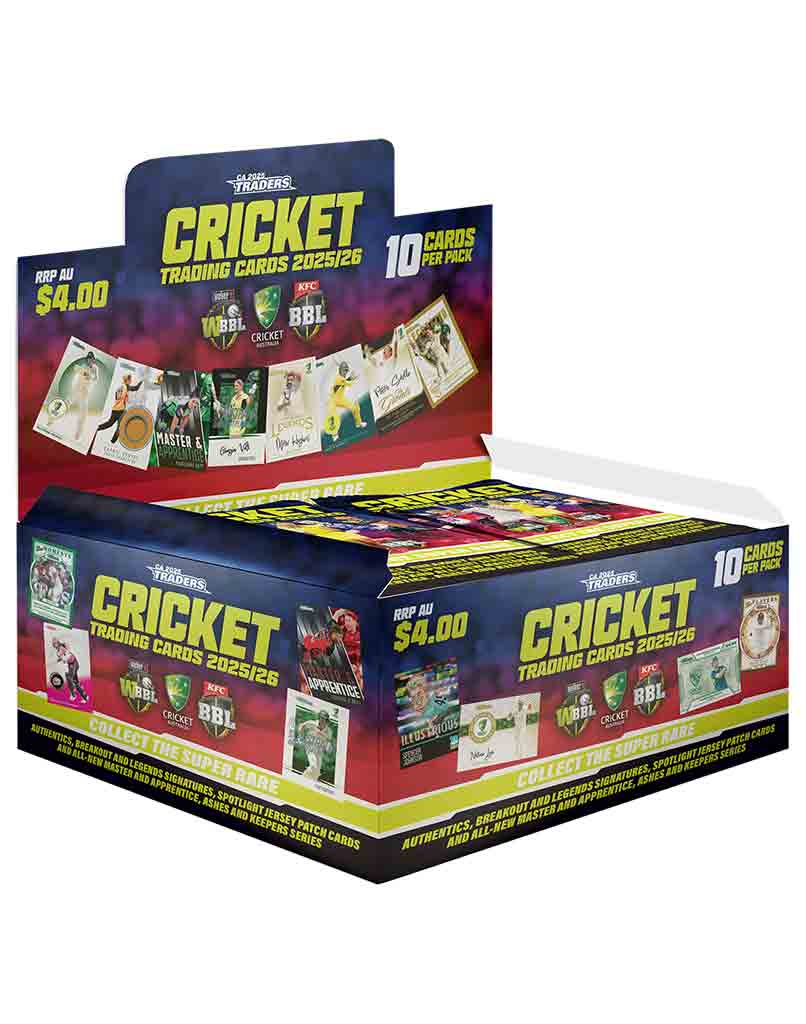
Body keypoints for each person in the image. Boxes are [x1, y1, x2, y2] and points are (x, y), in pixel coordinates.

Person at [93, 372, 143, 446]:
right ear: (127, 380)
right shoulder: (125, 387)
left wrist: (141, 381)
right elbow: (135, 388)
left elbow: (134, 389)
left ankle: (97, 429)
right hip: (121, 410)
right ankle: (112, 441)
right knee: (119, 426)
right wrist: (142, 381)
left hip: (115, 409)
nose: (131, 381)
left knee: (110, 423)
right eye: (130, 380)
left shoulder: (122, 387)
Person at [325, 361, 366, 441]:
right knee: (333, 416)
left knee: (355, 407)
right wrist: (353, 378)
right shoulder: (338, 378)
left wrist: (350, 378)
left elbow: (345, 381)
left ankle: (358, 423)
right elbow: (348, 383)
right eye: (344, 370)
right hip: (332, 400)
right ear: (340, 370)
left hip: (340, 398)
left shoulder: (342, 378)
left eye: (346, 371)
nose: (345, 372)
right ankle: (334, 434)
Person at [71, 351, 99, 441]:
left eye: (91, 359)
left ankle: (78, 433)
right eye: (88, 359)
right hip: (77, 390)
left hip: (85, 393)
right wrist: (83, 374)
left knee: (83, 413)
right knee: (67, 402)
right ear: (87, 359)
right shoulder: (83, 366)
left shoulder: (95, 368)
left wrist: (90, 377)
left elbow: (96, 379)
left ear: (93, 360)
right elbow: (75, 369)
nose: (89, 360)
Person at [297, 710, 331, 781]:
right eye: (321, 718)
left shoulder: (328, 730)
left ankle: (308, 780)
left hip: (319, 751)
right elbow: (301, 726)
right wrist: (300, 736)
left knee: (317, 772)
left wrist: (327, 746)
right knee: (313, 766)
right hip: (310, 747)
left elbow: (327, 741)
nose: (323, 721)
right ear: (319, 718)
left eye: (325, 719)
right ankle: (301, 779)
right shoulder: (312, 723)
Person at [52, 638, 88, 704]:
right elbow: (63, 658)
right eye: (54, 644)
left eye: (56, 643)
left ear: (58, 643)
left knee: (70, 679)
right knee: (74, 681)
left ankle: (74, 694)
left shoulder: (63, 646)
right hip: (71, 664)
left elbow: (65, 650)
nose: (55, 645)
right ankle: (84, 696)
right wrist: (60, 659)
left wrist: (62, 653)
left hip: (73, 664)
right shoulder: (58, 652)